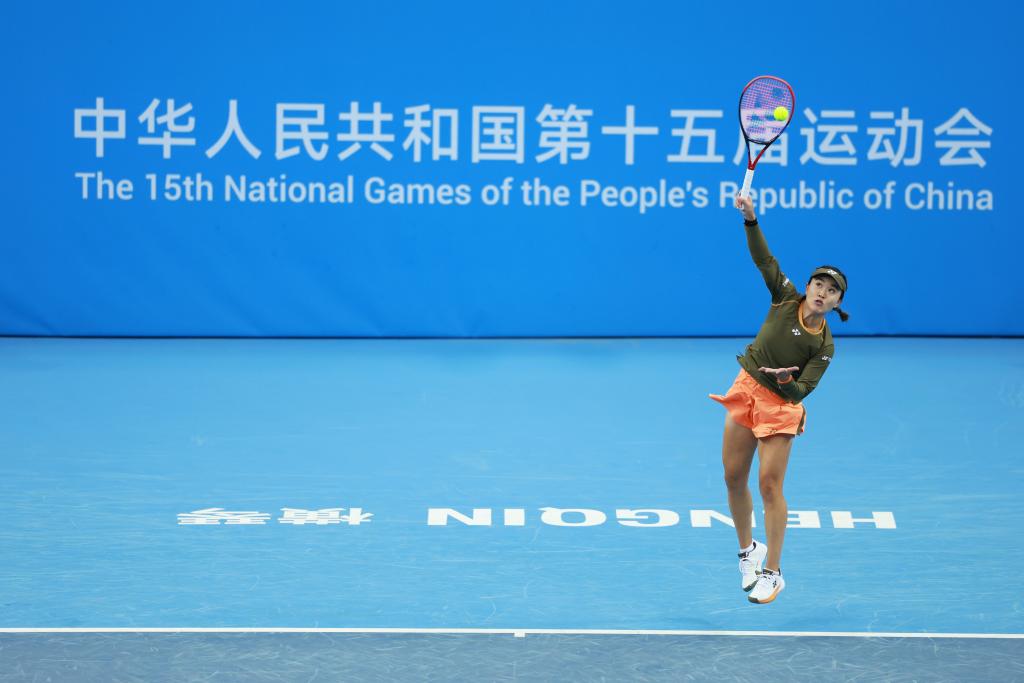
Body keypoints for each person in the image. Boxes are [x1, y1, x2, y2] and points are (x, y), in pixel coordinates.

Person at [709, 194, 849, 604]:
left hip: (781, 407)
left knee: (769, 485)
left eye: (832, 291)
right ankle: (748, 552)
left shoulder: (824, 346)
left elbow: (802, 391)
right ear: (807, 287)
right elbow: (764, 259)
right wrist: (751, 219)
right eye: (818, 284)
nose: (822, 292)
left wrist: (787, 381)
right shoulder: (785, 296)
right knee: (733, 477)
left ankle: (773, 571)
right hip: (747, 387)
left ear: (837, 303)